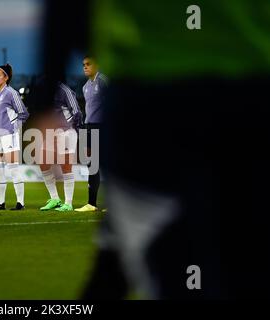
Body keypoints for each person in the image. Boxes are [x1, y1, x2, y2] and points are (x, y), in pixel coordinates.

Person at [40, 0, 270, 299]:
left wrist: (46, 97)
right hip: (249, 89)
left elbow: (69, 12)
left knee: (159, 263)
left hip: (149, 90)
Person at [38, 79, 82, 212]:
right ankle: (55, 199)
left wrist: (71, 128)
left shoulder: (65, 90)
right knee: (43, 163)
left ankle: (68, 203)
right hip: (51, 133)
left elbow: (77, 111)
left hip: (66, 132)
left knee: (66, 167)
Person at [0, 64, 29, 210]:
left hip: (9, 135)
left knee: (13, 168)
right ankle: (0, 202)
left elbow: (23, 113)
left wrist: (14, 128)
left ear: (6, 77)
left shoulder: (11, 93)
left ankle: (20, 203)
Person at [75, 56, 108, 212]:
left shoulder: (103, 81)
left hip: (103, 127)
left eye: (88, 64)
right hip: (89, 127)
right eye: (83, 65)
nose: (85, 67)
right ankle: (92, 203)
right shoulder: (85, 86)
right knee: (92, 165)